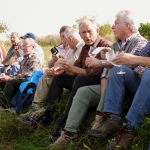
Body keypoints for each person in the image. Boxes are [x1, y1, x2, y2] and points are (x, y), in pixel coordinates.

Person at [50, 10, 148, 148]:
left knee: (113, 70)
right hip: (111, 87)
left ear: (127, 25)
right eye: (83, 33)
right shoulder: (114, 46)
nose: (112, 26)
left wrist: (102, 62)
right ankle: (69, 132)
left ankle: (109, 119)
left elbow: (132, 66)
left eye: (115, 23)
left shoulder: (140, 42)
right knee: (83, 92)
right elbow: (104, 75)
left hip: (134, 88)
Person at [0, 38, 42, 109]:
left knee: (11, 82)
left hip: (29, 82)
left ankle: (1, 105)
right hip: (22, 79)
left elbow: (27, 75)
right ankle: (6, 101)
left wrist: (10, 78)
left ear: (33, 47)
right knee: (2, 81)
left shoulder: (35, 59)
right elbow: (20, 73)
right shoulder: (25, 58)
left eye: (26, 46)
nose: (23, 48)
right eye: (23, 46)